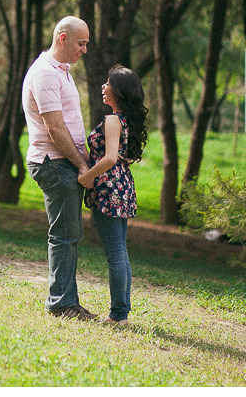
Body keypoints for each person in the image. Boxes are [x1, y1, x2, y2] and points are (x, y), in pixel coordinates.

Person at [22, 16, 97, 321]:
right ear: (63, 38)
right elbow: (54, 127)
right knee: (65, 235)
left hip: (64, 161)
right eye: (81, 43)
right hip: (54, 162)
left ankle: (66, 300)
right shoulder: (45, 74)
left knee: (69, 233)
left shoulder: (61, 71)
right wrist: (82, 165)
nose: (85, 50)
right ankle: (62, 304)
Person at [78, 65, 149, 327]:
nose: (103, 87)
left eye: (108, 83)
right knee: (121, 252)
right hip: (123, 185)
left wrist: (86, 177)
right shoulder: (128, 120)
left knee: (116, 254)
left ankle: (119, 315)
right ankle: (122, 312)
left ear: (117, 91)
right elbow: (123, 156)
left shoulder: (112, 120)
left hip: (108, 188)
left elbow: (108, 158)